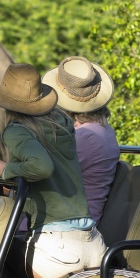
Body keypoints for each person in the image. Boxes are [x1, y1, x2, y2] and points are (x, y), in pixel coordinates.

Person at [0, 63, 107, 278]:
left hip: (57, 254)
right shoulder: (62, 123)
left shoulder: (16, 130)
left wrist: (4, 170)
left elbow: (42, 167)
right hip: (94, 246)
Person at [42, 56, 120, 223]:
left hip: (69, 223)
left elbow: (42, 177)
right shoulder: (100, 128)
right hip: (69, 216)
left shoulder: (84, 137)